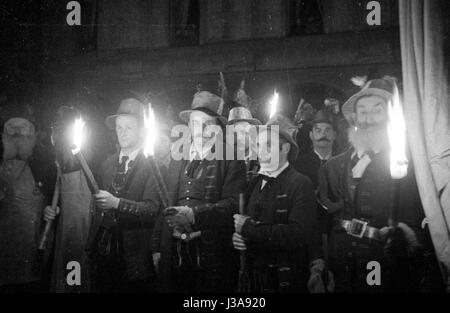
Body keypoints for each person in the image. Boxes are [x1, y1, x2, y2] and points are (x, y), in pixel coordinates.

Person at [318, 77, 441, 292]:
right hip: (342, 259)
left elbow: (422, 215)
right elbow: (325, 220)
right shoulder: (334, 166)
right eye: (363, 111)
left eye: (377, 110)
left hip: (381, 259)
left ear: (390, 116)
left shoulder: (410, 165)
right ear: (354, 118)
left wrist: (407, 235)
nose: (369, 119)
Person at [151, 90, 246, 293]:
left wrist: (195, 214)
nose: (201, 129)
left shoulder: (231, 158)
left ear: (218, 128)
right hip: (176, 252)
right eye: (195, 123)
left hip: (211, 252)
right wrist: (157, 247)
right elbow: (164, 204)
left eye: (207, 124)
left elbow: (232, 204)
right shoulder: (177, 159)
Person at [232, 114, 327, 293]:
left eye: (268, 145)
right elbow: (247, 223)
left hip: (286, 280)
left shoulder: (300, 183)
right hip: (255, 280)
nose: (261, 152)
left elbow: (298, 234)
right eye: (258, 145)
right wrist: (240, 238)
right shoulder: (254, 183)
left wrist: (249, 229)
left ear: (285, 148)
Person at [88, 98, 161, 292]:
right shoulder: (107, 164)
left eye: (129, 127)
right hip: (105, 252)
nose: (123, 132)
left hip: (135, 256)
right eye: (119, 127)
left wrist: (117, 203)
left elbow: (152, 210)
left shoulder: (153, 166)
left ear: (142, 130)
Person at [0, 105, 56, 292]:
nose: (17, 136)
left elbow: (55, 198)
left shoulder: (45, 162)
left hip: (34, 244)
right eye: (12, 132)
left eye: (22, 132)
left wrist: (52, 209)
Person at [293, 110, 336, 189]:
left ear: (334, 135)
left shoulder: (344, 164)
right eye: (318, 130)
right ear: (311, 135)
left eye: (327, 130)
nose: (323, 134)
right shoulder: (299, 165)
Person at [227, 106, 261, 184]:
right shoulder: (224, 161)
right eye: (235, 133)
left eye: (243, 132)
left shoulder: (262, 161)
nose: (239, 138)